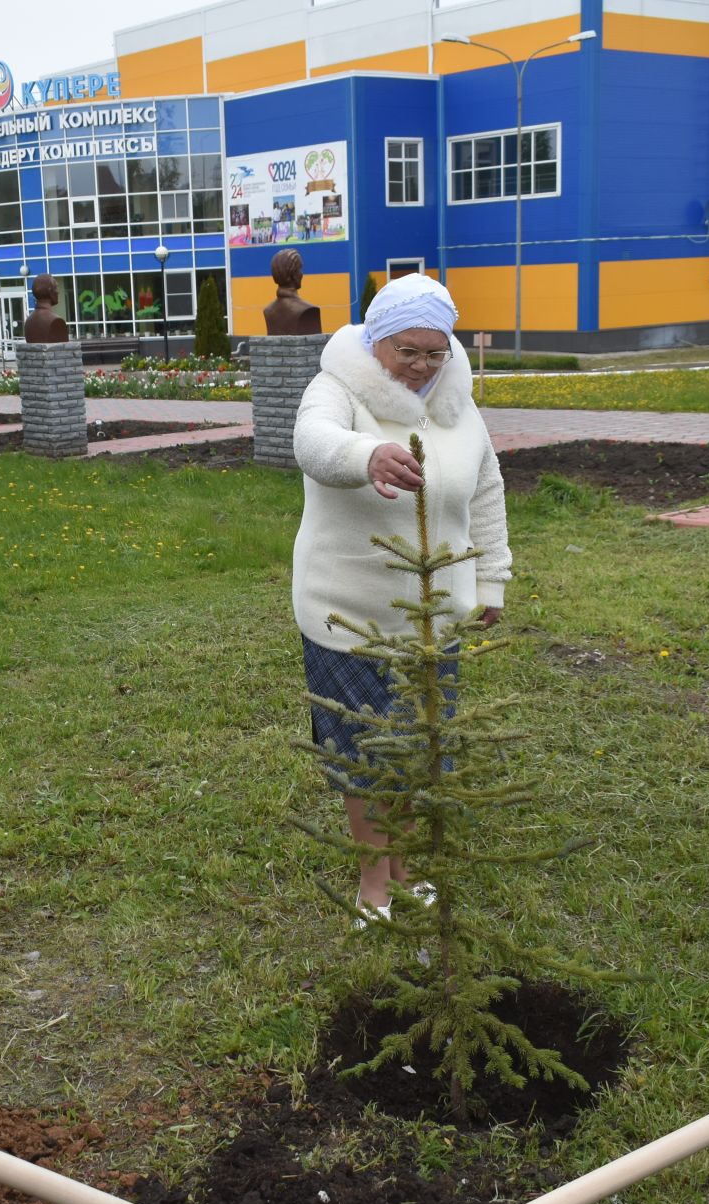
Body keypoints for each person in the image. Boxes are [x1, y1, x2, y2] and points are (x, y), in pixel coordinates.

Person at [291, 273, 509, 920]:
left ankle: (407, 865)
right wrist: (367, 455)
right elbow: (312, 442)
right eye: (405, 351)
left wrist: (490, 577)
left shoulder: (458, 404)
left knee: (418, 746)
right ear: (376, 340)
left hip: (433, 615)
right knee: (363, 754)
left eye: (433, 351)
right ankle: (373, 883)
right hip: (347, 611)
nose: (419, 366)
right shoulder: (336, 387)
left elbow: (487, 490)